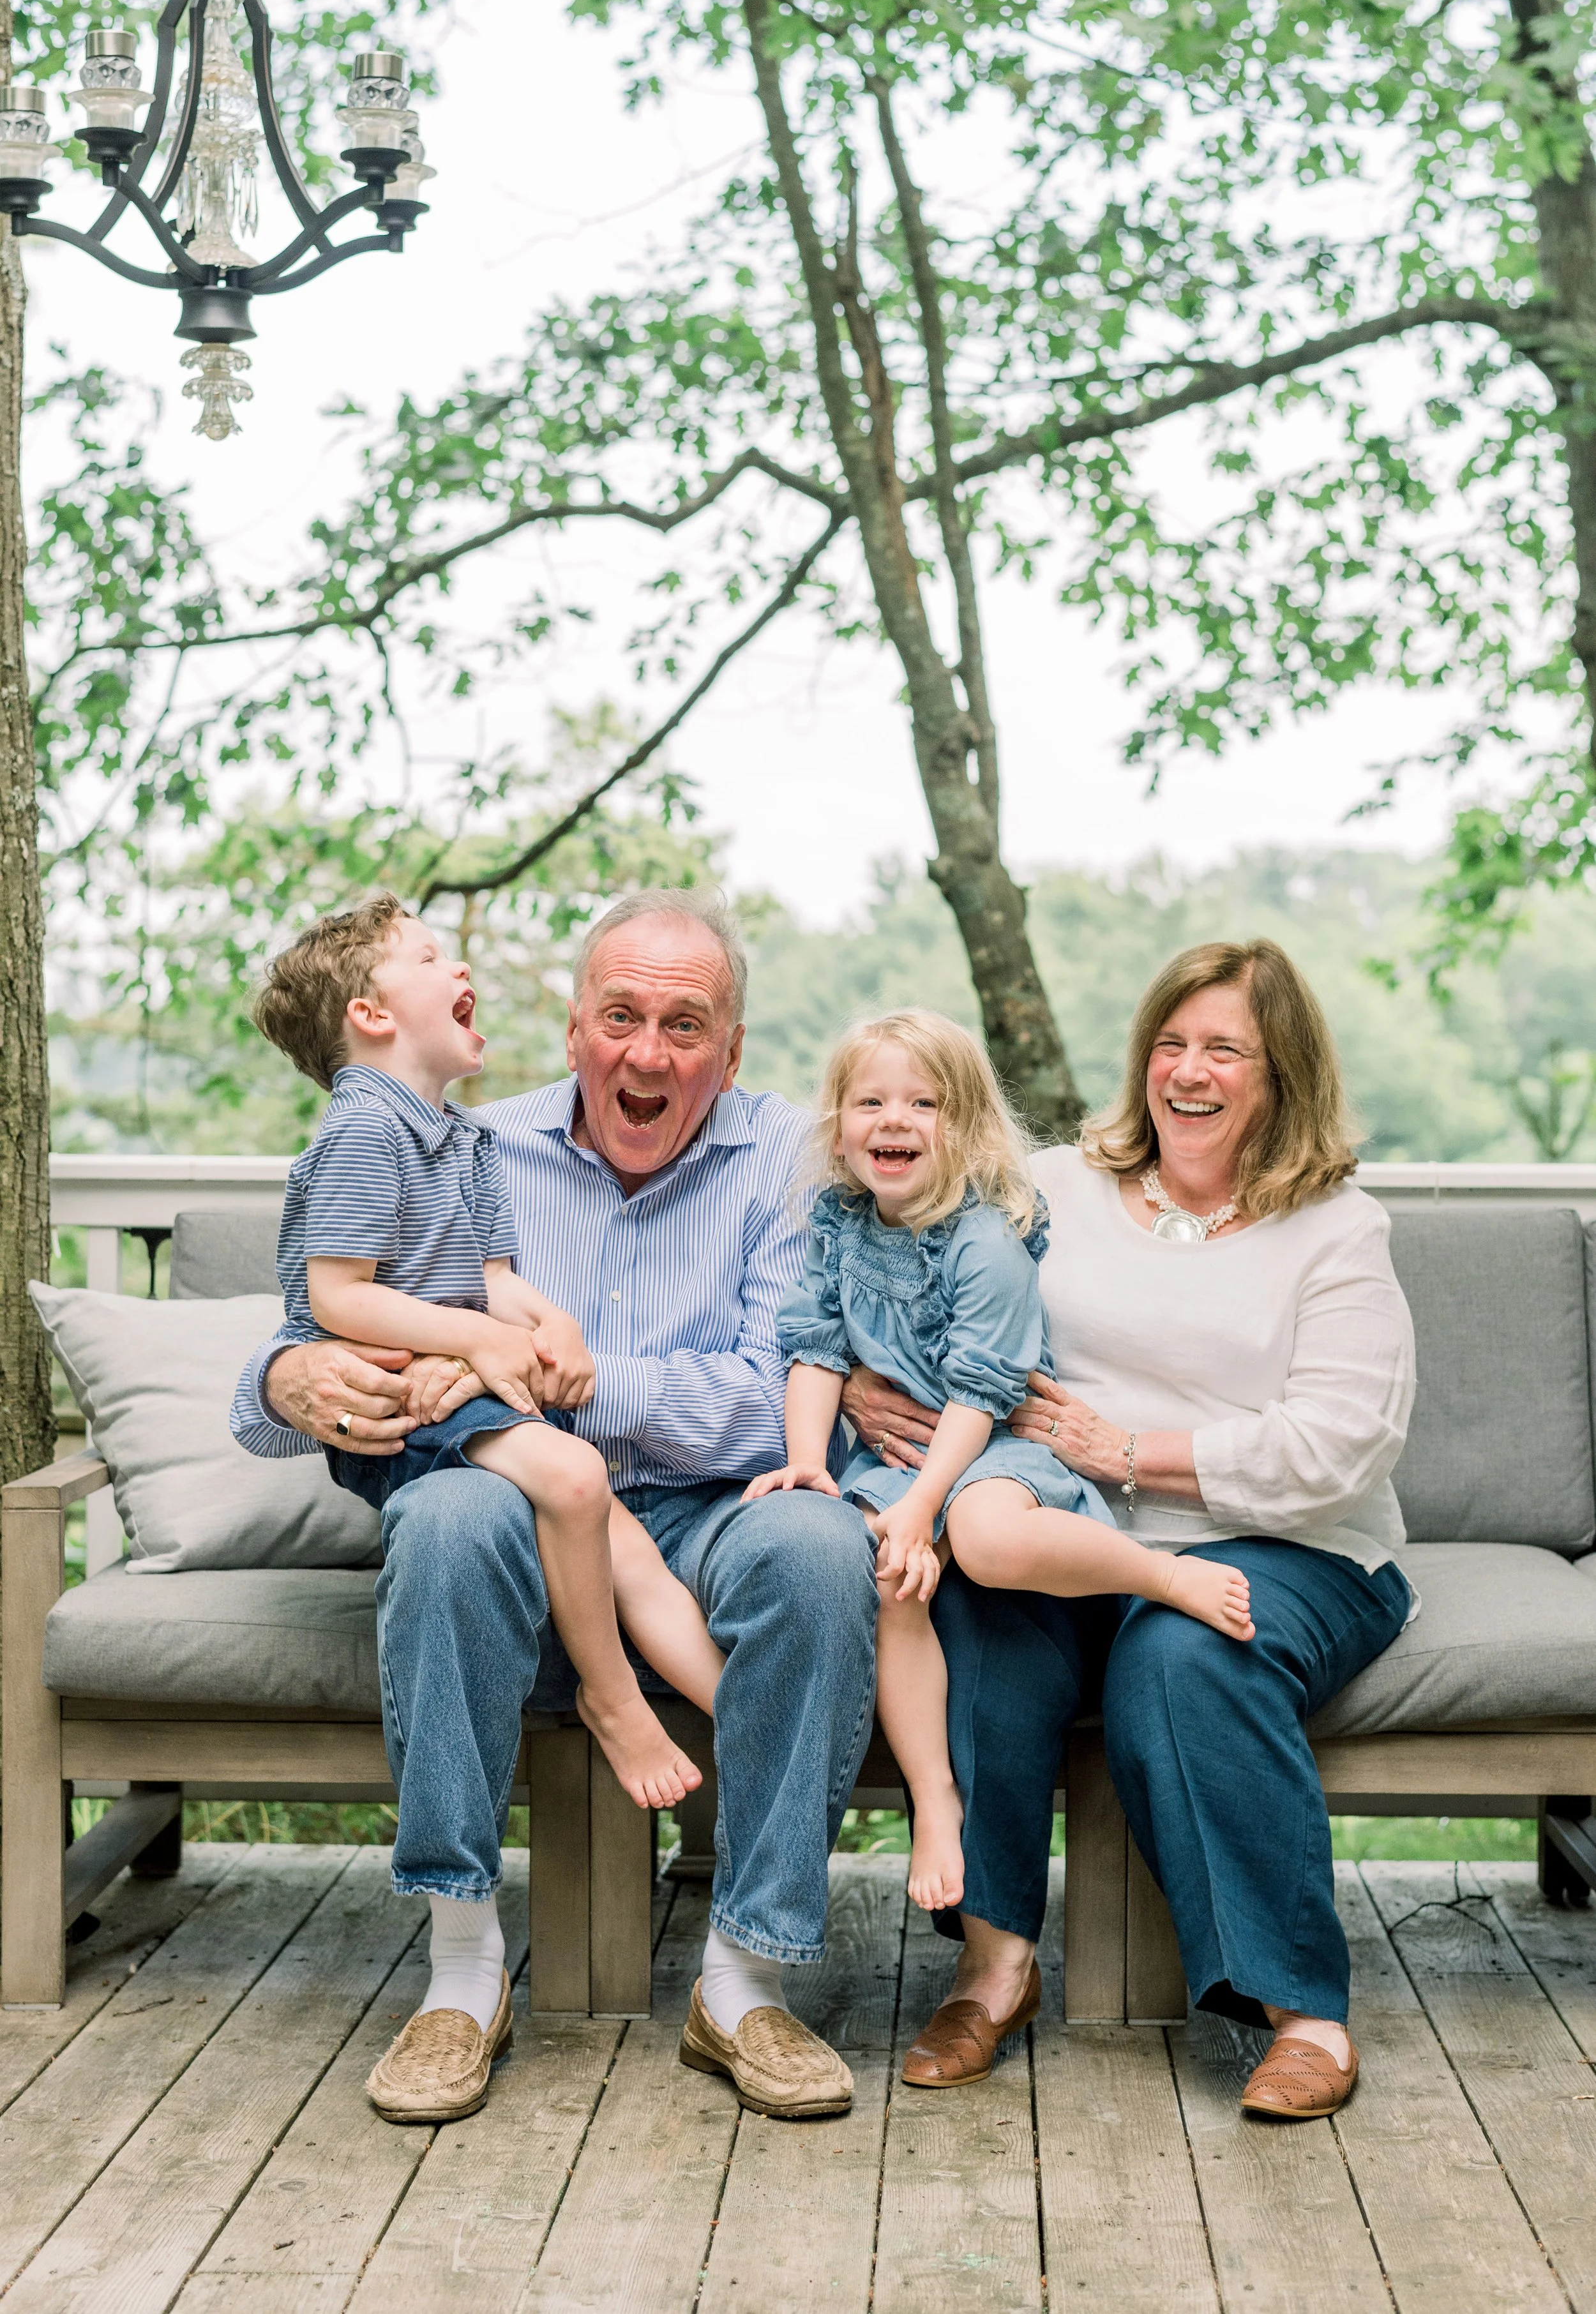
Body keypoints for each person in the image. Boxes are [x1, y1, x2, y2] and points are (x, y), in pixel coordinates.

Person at [232, 889, 870, 2128]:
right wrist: (281, 1375)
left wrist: (521, 1371)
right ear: (575, 1026)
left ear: (729, 1054)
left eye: (684, 1026)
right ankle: (462, 1970)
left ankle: (741, 1981)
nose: (646, 1052)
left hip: (708, 1513)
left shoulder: (789, 1164)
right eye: (618, 1014)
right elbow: (320, 1320)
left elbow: (769, 1405)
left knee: (817, 1541)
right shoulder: (463, 1139)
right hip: (519, 1515)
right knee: (449, 1516)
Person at [843, 941, 1415, 2115]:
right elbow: (906, 1258)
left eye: (1224, 1049)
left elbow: (1341, 1445)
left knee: (1184, 1651)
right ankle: (993, 1964)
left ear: (1282, 1072)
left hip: (1291, 1544)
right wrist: (857, 1381)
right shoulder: (1054, 1186)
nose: (1187, 1072)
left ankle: (1302, 2009)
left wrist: (1136, 1456)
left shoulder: (1336, 1231)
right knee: (976, 1615)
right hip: (1066, 1529)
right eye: (1170, 1042)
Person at [748, 1009, 1254, 1922]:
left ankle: (1161, 1575)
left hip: (995, 1448)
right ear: (838, 1120)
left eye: (923, 1102)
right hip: (894, 1461)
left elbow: (983, 1391)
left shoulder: (982, 1238)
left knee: (979, 1536)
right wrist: (806, 1465)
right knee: (890, 1578)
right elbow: (815, 1346)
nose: (893, 1120)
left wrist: (927, 1504)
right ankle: (936, 1802)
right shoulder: (837, 1220)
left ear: (970, 1123)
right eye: (871, 1100)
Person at [249, 893, 723, 1826]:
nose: (457, 968)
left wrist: (560, 1335)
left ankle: (748, 1717)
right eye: (428, 958)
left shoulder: (464, 1137)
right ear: (372, 1016)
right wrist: (477, 1341)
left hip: (464, 1395)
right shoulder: (363, 1130)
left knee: (620, 1539)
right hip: (397, 1397)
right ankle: (614, 1698)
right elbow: (338, 1298)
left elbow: (496, 1280)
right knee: (580, 1476)